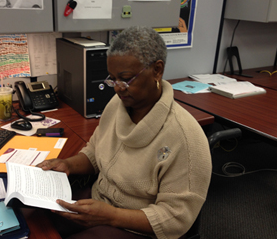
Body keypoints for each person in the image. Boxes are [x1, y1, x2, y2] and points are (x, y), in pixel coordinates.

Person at [37, 26, 212, 239]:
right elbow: (95, 151)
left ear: (157, 70)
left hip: (137, 226)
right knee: (35, 217)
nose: (118, 88)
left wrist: (111, 216)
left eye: (126, 78)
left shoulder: (185, 137)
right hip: (101, 204)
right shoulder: (116, 105)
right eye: (112, 79)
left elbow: (175, 219)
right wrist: (69, 164)